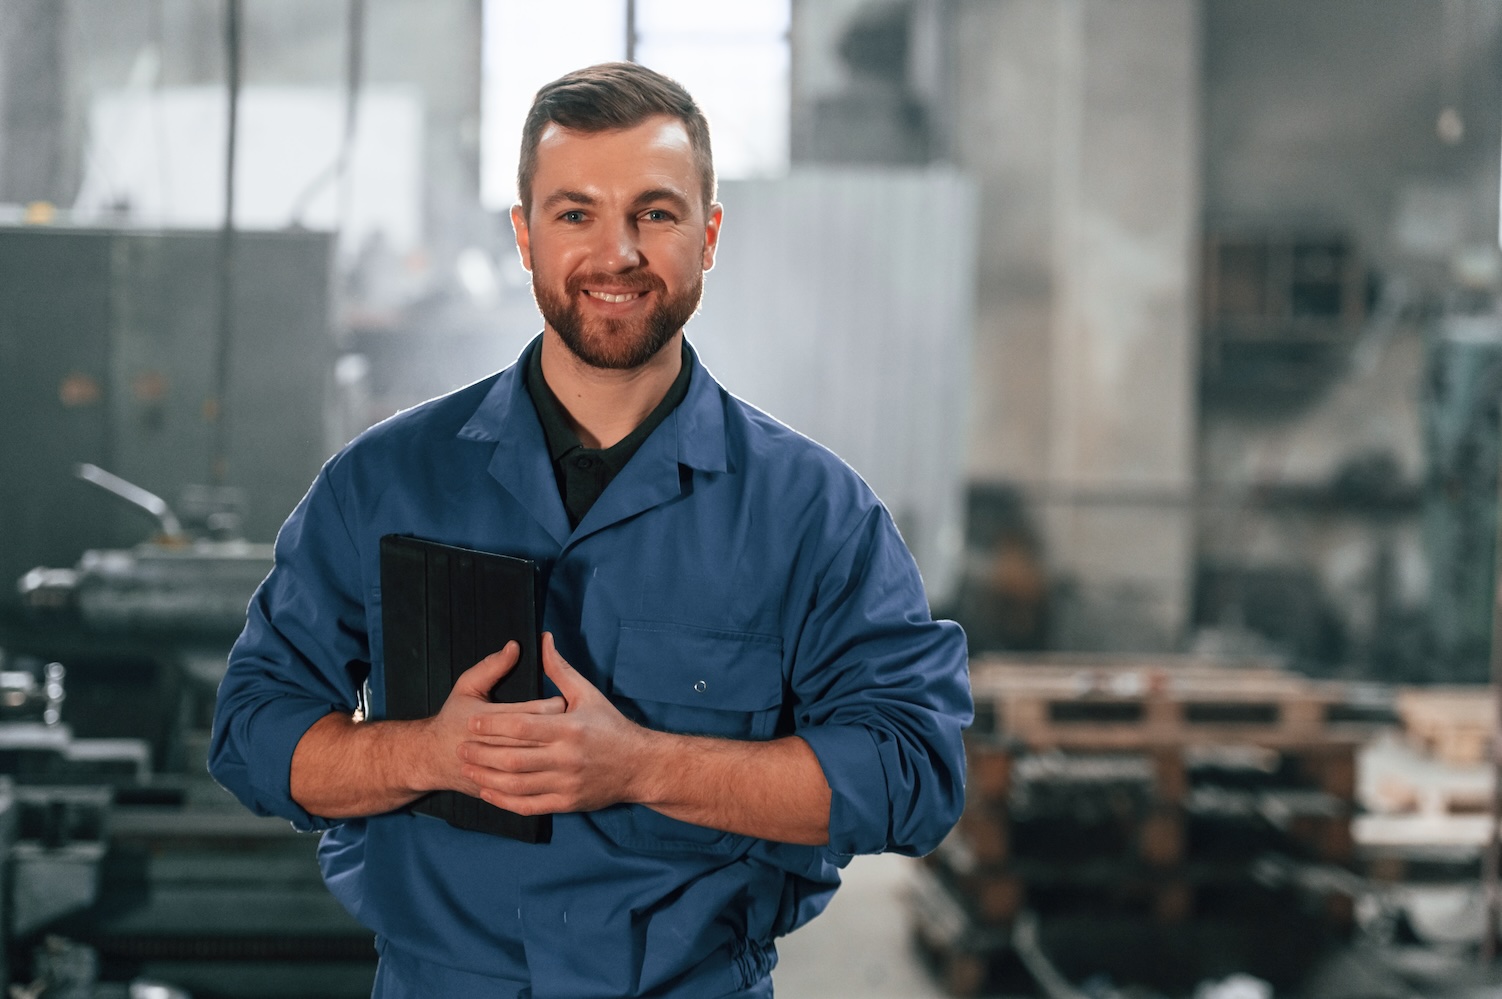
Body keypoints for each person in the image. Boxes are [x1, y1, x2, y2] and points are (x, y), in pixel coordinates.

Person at [210, 62, 971, 999]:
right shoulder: (383, 483)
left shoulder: (814, 515)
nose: (618, 253)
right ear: (525, 236)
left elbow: (913, 772)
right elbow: (254, 731)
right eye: (576, 214)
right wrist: (429, 753)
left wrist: (643, 766)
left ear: (709, 235)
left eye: (655, 213)